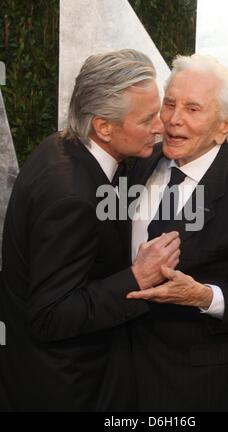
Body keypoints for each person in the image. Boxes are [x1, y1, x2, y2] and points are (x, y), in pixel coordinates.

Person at [0, 49, 180, 412]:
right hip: (70, 389)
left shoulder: (66, 146)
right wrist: (136, 278)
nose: (161, 127)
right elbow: (49, 315)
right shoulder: (70, 197)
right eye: (147, 120)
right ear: (103, 126)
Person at [127, 54, 228, 411]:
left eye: (193, 109)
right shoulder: (142, 160)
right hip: (125, 371)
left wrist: (203, 297)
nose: (173, 119)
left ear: (224, 126)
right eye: (169, 103)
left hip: (201, 386)